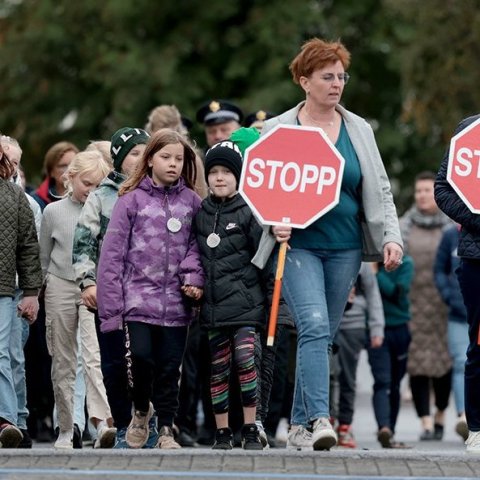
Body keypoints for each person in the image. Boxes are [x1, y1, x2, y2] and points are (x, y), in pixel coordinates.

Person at [251, 37, 403, 451]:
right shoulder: (279, 128)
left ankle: (299, 425)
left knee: (322, 333)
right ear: (304, 81)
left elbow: (380, 189)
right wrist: (271, 224)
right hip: (298, 246)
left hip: (347, 247)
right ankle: (320, 418)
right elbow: (259, 189)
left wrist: (392, 237)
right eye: (327, 77)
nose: (337, 84)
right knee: (314, 324)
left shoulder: (359, 129)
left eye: (341, 76)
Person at [97, 128, 204, 450]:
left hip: (176, 304)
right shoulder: (131, 201)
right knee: (141, 359)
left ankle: (167, 428)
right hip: (136, 300)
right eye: (165, 157)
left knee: (171, 367)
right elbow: (112, 255)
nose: (173, 164)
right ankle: (141, 410)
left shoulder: (193, 203)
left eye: (179, 159)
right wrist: (110, 310)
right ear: (150, 159)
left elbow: (197, 247)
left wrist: (193, 278)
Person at [73, 126, 151, 448]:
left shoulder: (156, 193)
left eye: (145, 153)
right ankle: (121, 424)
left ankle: (149, 423)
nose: (140, 159)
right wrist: (87, 282)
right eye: (134, 153)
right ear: (119, 159)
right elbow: (83, 244)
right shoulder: (101, 197)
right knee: (114, 362)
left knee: (146, 361)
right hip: (109, 294)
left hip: (147, 295)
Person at [40, 150, 115, 449]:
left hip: (93, 288)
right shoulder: (53, 212)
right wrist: (38, 292)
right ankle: (66, 428)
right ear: (70, 178)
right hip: (59, 285)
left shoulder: (104, 210)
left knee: (92, 356)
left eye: (99, 186)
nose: (92, 191)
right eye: (87, 183)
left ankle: (101, 423)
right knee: (63, 360)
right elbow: (44, 257)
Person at [194, 140, 265, 450]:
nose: (219, 177)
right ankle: (222, 431)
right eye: (214, 172)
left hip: (247, 307)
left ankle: (250, 426)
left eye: (226, 172)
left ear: (238, 176)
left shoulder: (250, 211)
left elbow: (265, 258)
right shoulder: (200, 213)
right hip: (213, 309)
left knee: (246, 360)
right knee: (219, 369)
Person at [434, 116, 480, 452]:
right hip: (477, 257)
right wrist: (477, 219)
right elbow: (443, 188)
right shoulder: (470, 129)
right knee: (479, 344)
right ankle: (477, 427)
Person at [401, 171, 452, 441]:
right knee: (417, 365)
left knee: (444, 365)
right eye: (418, 190)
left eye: (427, 190)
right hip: (412, 306)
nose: (422, 195)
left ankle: (442, 414)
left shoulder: (452, 226)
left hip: (445, 306)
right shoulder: (403, 227)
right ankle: (426, 423)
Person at [0, 139, 42, 448]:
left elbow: (30, 249)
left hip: (7, 289)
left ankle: (11, 419)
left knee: (6, 355)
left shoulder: (17, 197)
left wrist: (31, 292)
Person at [333, 263, 387, 449]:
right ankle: (326, 420)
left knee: (347, 378)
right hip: (329, 323)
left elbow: (373, 295)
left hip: (353, 326)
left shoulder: (362, 263)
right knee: (328, 376)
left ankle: (345, 426)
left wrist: (376, 328)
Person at [375, 254, 414, 447]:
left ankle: (391, 429)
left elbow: (397, 292)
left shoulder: (405, 263)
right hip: (377, 330)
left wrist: (377, 275)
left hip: (399, 328)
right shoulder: (370, 263)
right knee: (383, 381)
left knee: (396, 383)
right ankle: (384, 427)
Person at [434, 224, 469, 441]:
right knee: (460, 363)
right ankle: (464, 415)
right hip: (458, 313)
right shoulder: (449, 235)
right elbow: (439, 269)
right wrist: (448, 295)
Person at [32, 141, 79, 211]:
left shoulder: (88, 195)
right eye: (63, 166)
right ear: (51, 172)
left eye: (74, 165)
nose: (70, 170)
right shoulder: (36, 201)